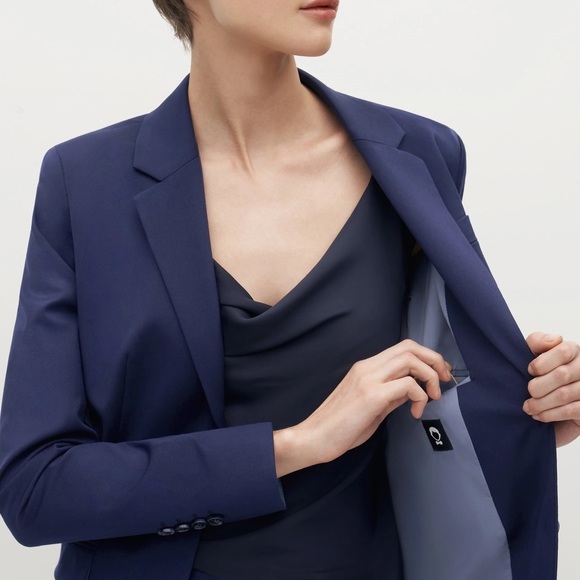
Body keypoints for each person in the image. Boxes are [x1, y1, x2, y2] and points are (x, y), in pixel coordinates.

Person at [0, 1, 579, 579]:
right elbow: (35, 487)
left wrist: (531, 407)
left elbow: (438, 398)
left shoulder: (417, 155)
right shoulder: (86, 183)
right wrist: (298, 444)